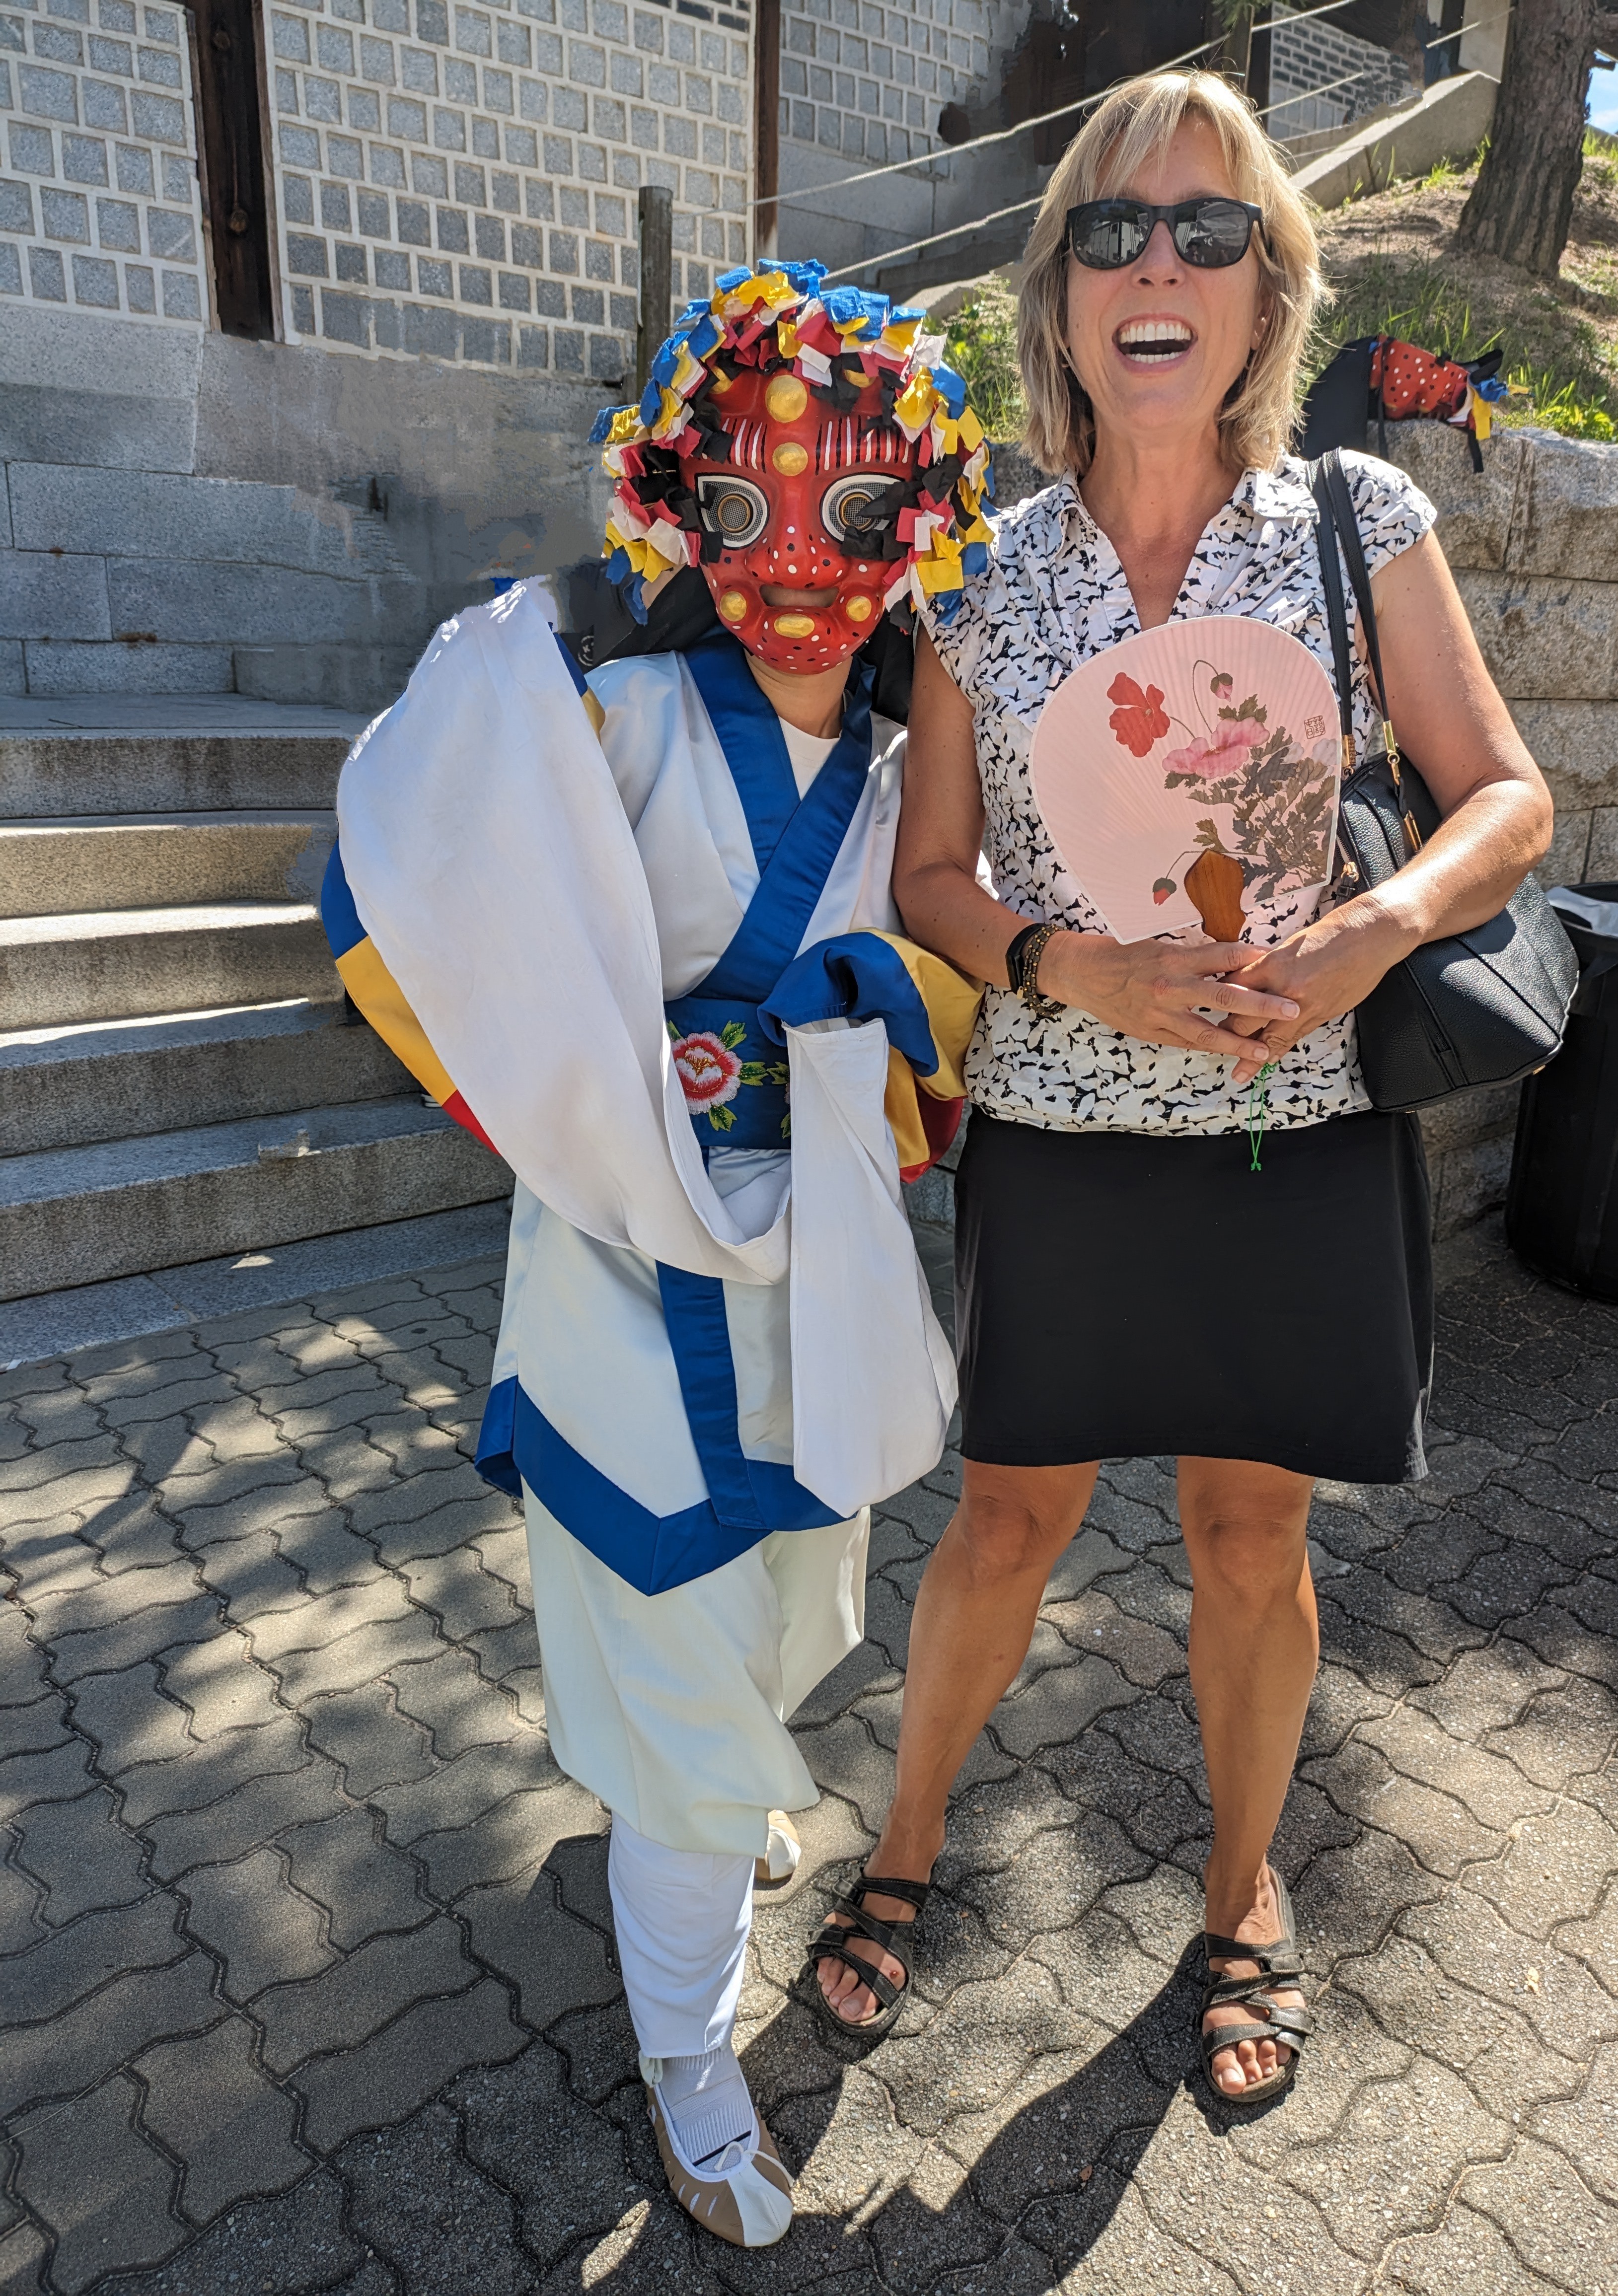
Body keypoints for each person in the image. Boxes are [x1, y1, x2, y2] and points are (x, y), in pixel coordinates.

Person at [807, 72, 1554, 2104]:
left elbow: (1508, 796)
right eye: (1113, 232)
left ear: (1267, 288)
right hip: (1062, 1135)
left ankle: (1241, 1898)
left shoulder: (1352, 521)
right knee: (1003, 1532)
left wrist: (1372, 928)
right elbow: (934, 878)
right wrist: (1077, 967)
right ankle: (903, 1849)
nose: (1158, 264)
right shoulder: (978, 566)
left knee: (1250, 1541)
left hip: (1291, 1139)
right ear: (1057, 294)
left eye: (1207, 231)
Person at [318, 262, 992, 2241]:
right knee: (686, 1684)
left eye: (858, 515)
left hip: (817, 1285)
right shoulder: (608, 718)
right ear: (681, 509)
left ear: (911, 530)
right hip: (624, 1278)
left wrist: (853, 1009)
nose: (802, 557)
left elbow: (944, 1006)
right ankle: (692, 2053)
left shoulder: (899, 778)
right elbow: (416, 889)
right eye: (749, 506)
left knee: (782, 1616)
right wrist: (573, 1103)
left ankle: (688, 1812)